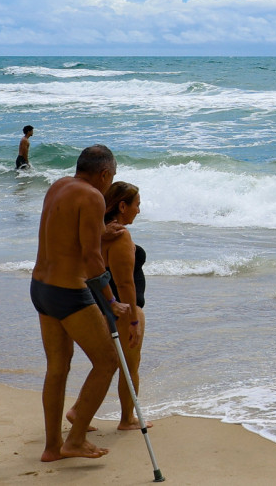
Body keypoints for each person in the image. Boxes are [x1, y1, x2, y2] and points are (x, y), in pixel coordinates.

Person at [30, 144, 131, 462]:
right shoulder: (93, 196)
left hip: (40, 288)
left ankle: (51, 448)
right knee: (107, 362)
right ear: (104, 174)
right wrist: (111, 300)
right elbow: (90, 259)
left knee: (57, 369)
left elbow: (64, 234)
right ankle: (74, 439)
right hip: (68, 293)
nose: (110, 181)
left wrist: (101, 231)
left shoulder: (59, 186)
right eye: (111, 176)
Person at [101, 181, 149, 430]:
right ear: (122, 205)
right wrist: (132, 319)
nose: (138, 210)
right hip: (125, 309)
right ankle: (127, 419)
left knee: (108, 364)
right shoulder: (119, 235)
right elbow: (126, 282)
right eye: (136, 205)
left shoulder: (100, 232)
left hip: (107, 306)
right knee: (129, 367)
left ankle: (79, 411)